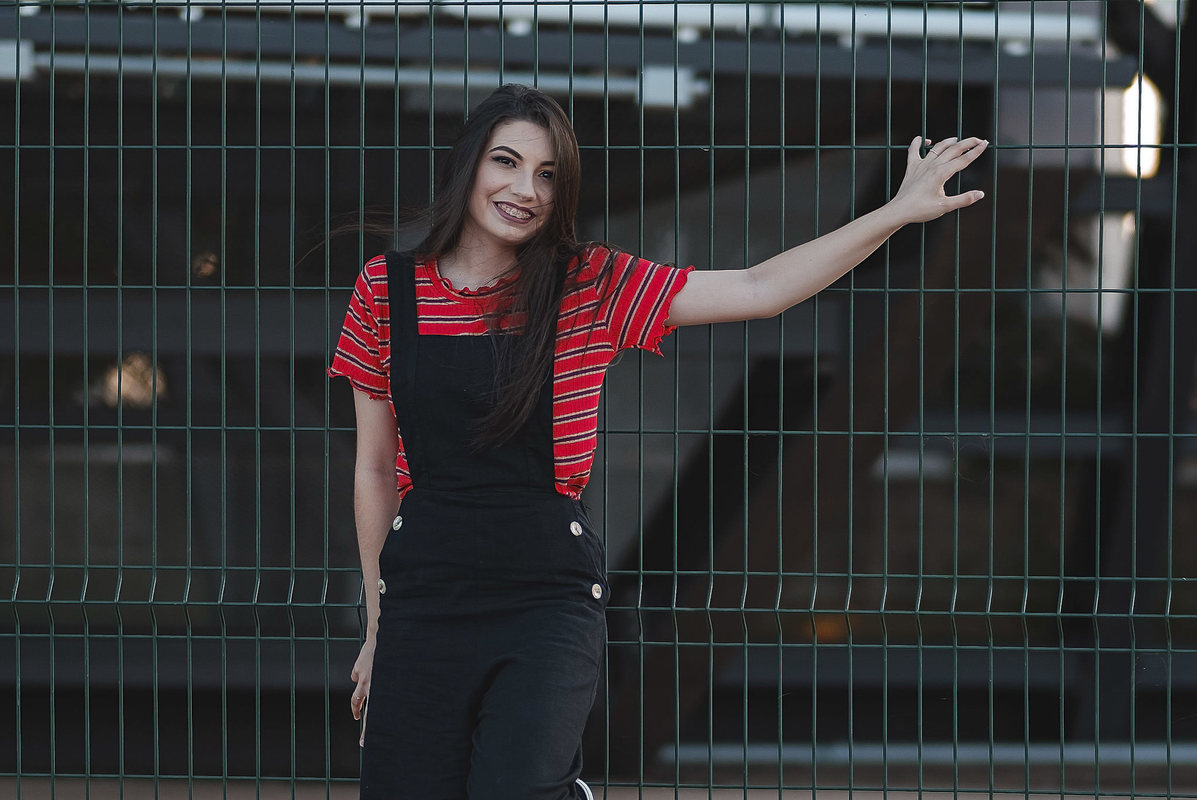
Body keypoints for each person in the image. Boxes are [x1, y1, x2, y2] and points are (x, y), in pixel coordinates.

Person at [328, 83, 987, 800]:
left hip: (544, 598)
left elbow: (760, 288)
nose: (526, 190)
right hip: (424, 595)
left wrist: (896, 212)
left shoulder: (590, 283)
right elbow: (374, 470)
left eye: (547, 174)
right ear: (468, 165)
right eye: (506, 162)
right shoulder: (385, 289)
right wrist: (379, 628)